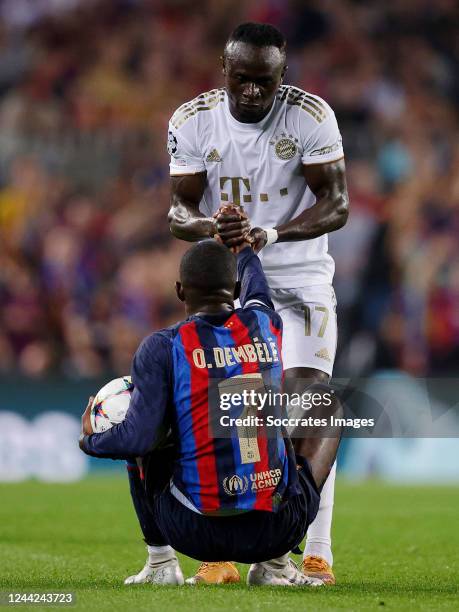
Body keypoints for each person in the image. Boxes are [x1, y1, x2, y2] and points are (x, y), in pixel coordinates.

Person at [165, 22, 349, 585]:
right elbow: (178, 211)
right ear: (224, 71)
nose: (251, 92)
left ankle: (309, 548)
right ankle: (223, 549)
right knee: (237, 406)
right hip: (232, 283)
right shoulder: (192, 120)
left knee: (309, 400)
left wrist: (270, 235)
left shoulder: (311, 116)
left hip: (301, 279)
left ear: (282, 75)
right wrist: (209, 228)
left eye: (263, 82)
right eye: (241, 79)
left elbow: (336, 203)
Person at [79, 238, 342, 587]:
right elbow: (258, 288)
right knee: (325, 404)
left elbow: (137, 437)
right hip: (275, 529)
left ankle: (161, 563)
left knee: (141, 423)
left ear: (179, 291)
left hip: (193, 532)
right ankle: (275, 567)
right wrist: (245, 247)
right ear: (234, 289)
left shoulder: (162, 346)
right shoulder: (266, 324)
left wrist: (90, 441)